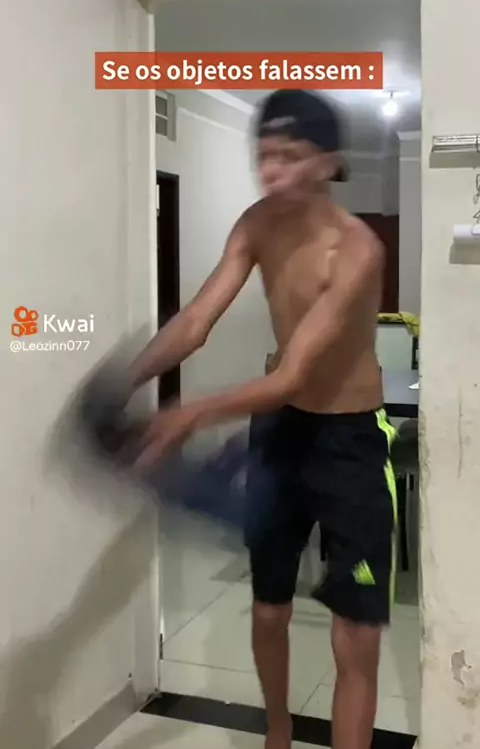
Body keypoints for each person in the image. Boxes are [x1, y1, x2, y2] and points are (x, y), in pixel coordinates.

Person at [127, 89, 397, 749]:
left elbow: (293, 374)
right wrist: (124, 383)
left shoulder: (357, 249)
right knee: (269, 608)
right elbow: (196, 321)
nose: (271, 170)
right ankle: (278, 731)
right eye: (264, 154)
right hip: (280, 433)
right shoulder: (255, 224)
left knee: (355, 632)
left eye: (290, 155)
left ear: (327, 162)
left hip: (349, 440)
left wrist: (191, 414)